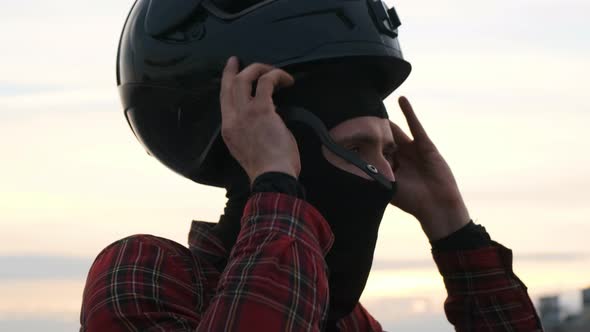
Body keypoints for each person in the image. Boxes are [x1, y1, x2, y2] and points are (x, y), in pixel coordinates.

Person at [81, 0, 544, 331]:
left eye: (387, 154)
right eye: (357, 147)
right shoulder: (143, 273)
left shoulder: (352, 322)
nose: (382, 177)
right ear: (272, 145)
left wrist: (451, 225)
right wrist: (278, 186)